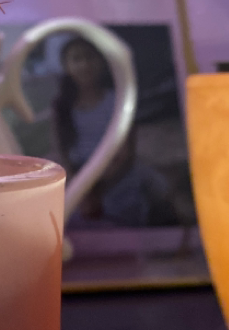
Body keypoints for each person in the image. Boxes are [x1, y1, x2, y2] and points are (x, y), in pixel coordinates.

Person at [52, 36, 176, 229]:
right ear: (66, 66)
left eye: (90, 57)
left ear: (101, 62)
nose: (84, 65)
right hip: (80, 179)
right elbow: (63, 151)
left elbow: (126, 153)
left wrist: (100, 189)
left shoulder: (119, 101)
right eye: (76, 59)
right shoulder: (62, 107)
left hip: (118, 175)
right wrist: (82, 188)